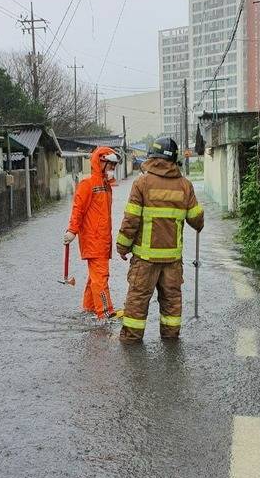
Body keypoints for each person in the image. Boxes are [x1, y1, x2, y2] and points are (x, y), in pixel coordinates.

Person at [116, 137, 204, 342]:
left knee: (137, 301)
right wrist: (199, 217)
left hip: (144, 260)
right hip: (172, 261)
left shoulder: (142, 183)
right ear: (174, 159)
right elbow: (196, 220)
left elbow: (131, 219)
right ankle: (171, 339)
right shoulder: (185, 186)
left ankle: (131, 340)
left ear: (152, 157)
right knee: (172, 301)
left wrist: (122, 246)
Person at [64, 146, 123, 321]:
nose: (113, 169)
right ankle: (105, 312)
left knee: (95, 278)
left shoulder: (105, 186)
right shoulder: (88, 185)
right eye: (110, 165)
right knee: (100, 278)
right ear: (101, 162)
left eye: (114, 166)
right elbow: (78, 209)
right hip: (94, 241)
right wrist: (72, 231)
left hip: (103, 241)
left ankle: (90, 307)